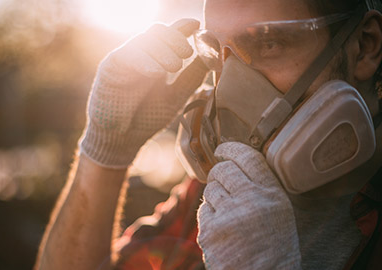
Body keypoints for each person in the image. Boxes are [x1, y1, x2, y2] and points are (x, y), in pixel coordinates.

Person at [35, 0, 382, 269]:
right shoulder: (210, 197)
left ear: (365, 46)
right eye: (217, 51)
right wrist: (105, 154)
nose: (227, 88)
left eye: (269, 43)